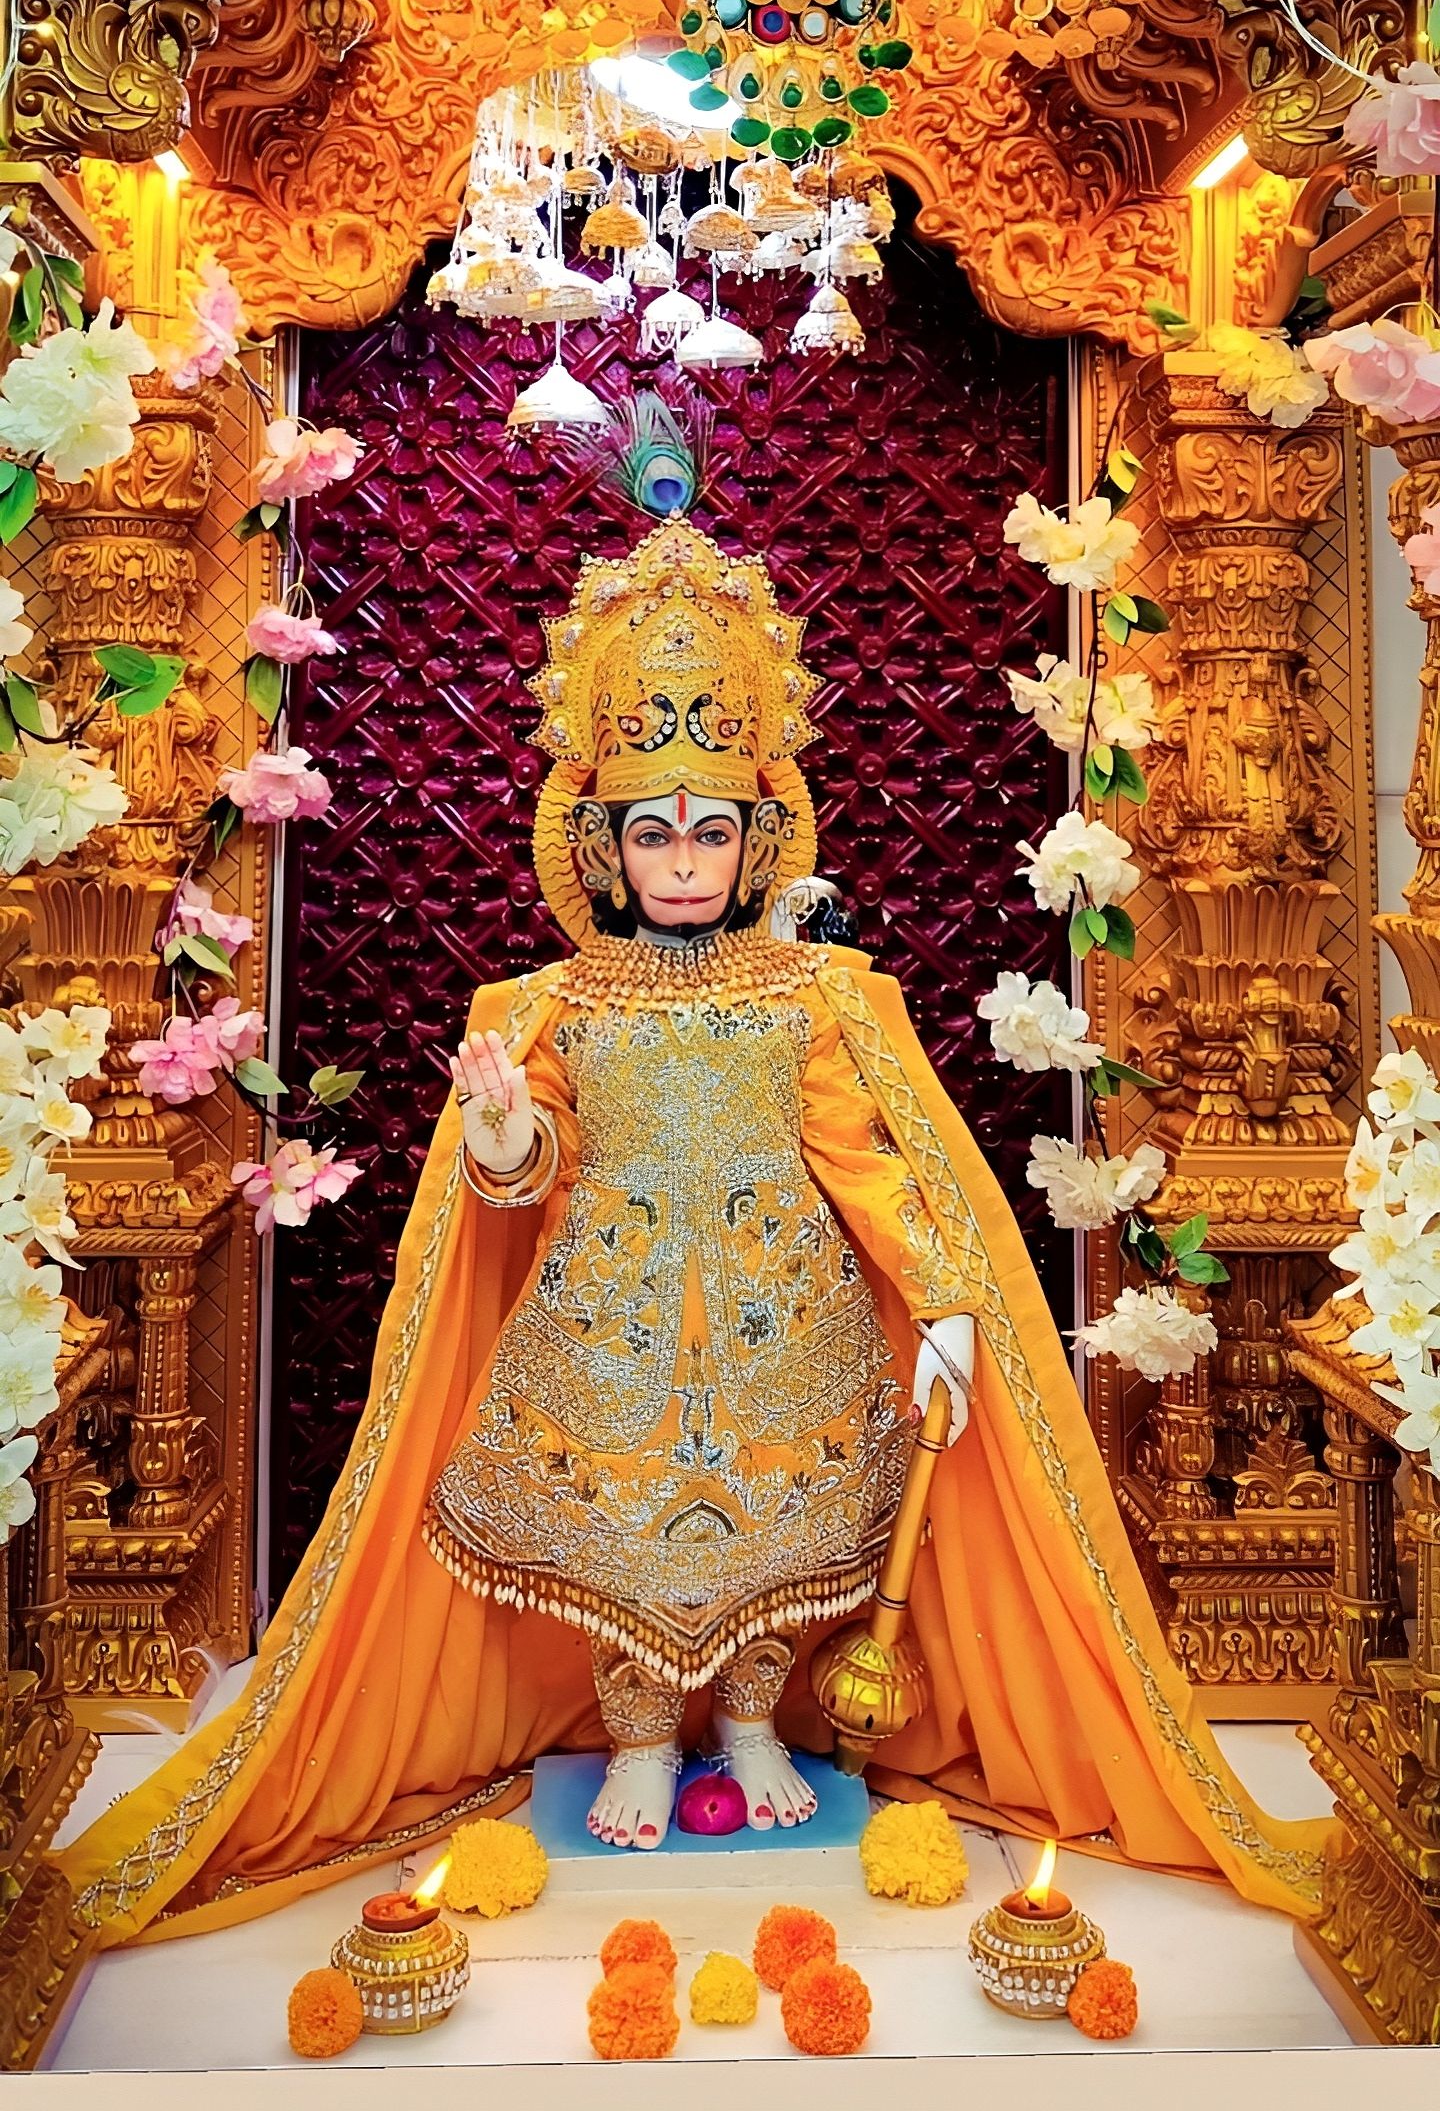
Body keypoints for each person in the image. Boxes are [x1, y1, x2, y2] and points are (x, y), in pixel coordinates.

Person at [59, 515, 1328, 1947]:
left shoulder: (818, 997)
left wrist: (952, 1304)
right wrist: (493, 1134)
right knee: (624, 1539)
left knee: (781, 1528)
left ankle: (757, 1723)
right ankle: (647, 1741)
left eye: (710, 832)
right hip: (605, 1333)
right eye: (652, 834)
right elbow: (525, 1173)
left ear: (755, 840)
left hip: (790, 1325)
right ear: (602, 849)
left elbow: (870, 1165)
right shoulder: (547, 1006)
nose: (680, 861)